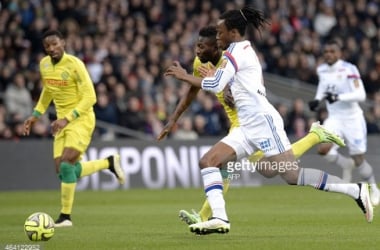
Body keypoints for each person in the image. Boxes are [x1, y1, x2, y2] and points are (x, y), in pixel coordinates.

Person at [164, 6, 373, 235]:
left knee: (291, 175)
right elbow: (224, 86)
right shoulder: (235, 52)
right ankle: (220, 218)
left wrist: (185, 76)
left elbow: (215, 85)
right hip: (245, 126)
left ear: (233, 32)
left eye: (220, 33)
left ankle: (355, 190)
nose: (217, 37)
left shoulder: (238, 53)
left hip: (264, 123)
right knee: (209, 161)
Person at [23, 30, 126, 227]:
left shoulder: (75, 65)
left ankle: (65, 217)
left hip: (81, 119)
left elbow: (91, 97)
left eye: (55, 44)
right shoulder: (44, 65)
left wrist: (68, 118)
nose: (52, 48)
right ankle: (109, 163)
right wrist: (35, 115)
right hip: (62, 121)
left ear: (63, 42)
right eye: (47, 46)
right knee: (63, 172)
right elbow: (48, 91)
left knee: (66, 164)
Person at [308, 39, 380, 205]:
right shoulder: (322, 69)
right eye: (326, 52)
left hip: (353, 119)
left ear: (339, 53)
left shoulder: (349, 69)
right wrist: (317, 99)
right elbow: (323, 86)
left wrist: (339, 97)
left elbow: (361, 94)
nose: (328, 54)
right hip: (334, 118)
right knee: (323, 149)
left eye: (332, 51)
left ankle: (374, 189)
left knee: (358, 158)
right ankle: (345, 164)